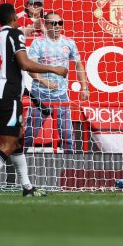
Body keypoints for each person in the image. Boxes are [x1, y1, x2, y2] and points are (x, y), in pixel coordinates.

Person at [0, 3, 68, 197]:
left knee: (18, 139)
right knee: (9, 143)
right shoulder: (14, 34)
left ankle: (27, 187)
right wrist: (54, 69)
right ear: (14, 16)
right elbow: (24, 63)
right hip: (9, 95)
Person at [24, 11, 89, 153]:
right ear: (46, 25)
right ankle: (15, 161)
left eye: (60, 23)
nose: (58, 26)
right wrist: (45, 82)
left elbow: (78, 65)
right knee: (29, 134)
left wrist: (84, 87)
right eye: (54, 23)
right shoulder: (38, 42)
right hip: (40, 95)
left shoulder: (69, 43)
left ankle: (71, 163)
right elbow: (30, 68)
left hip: (61, 96)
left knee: (67, 135)